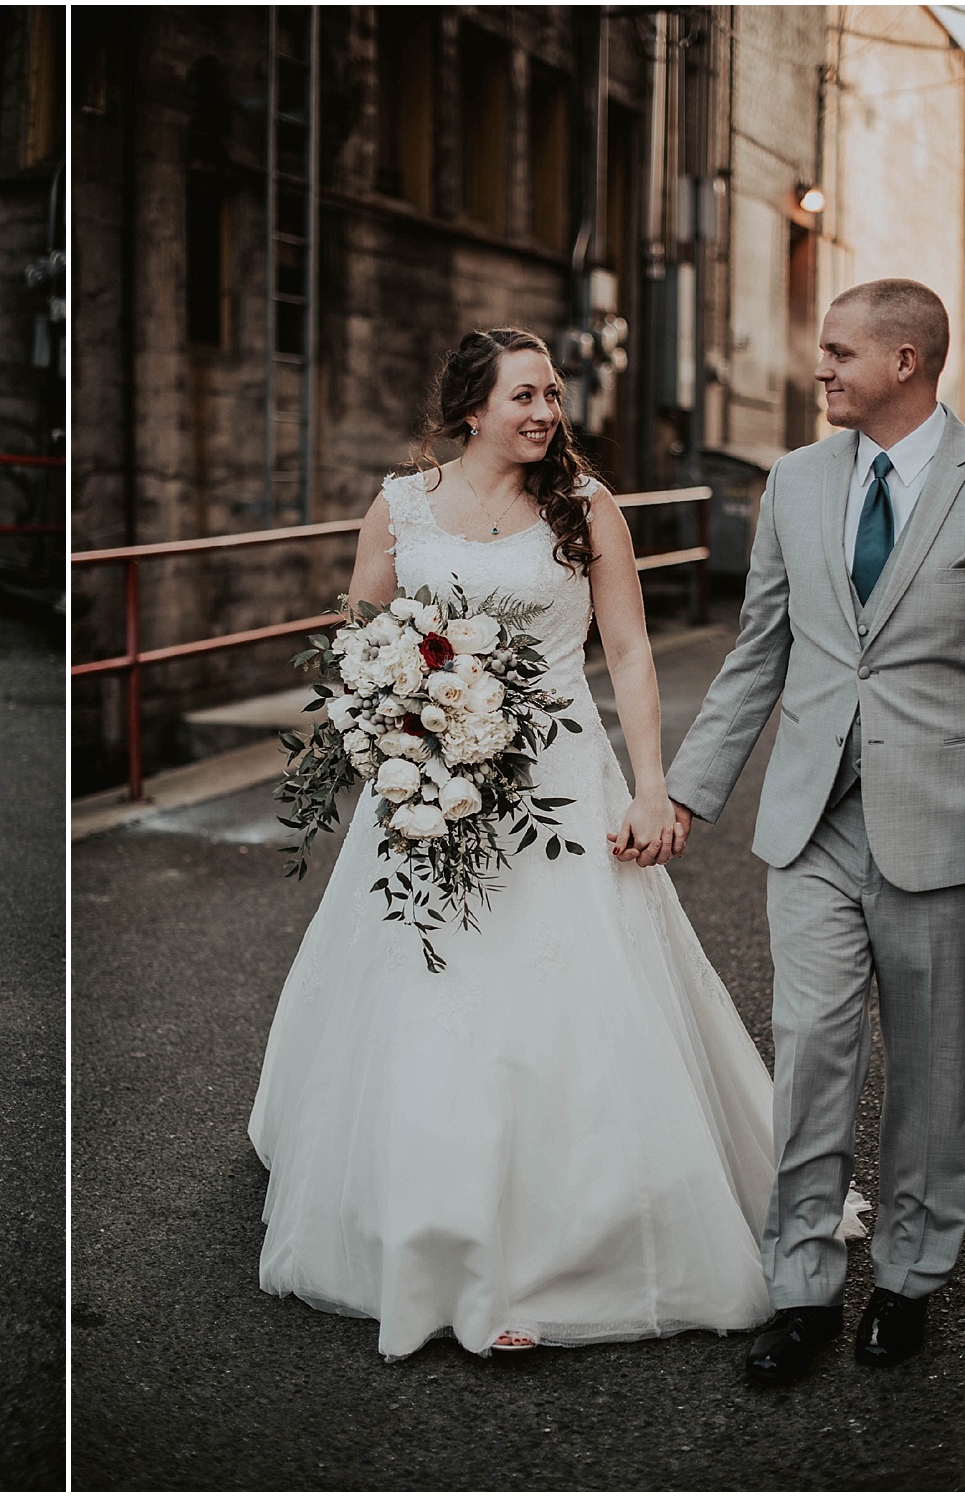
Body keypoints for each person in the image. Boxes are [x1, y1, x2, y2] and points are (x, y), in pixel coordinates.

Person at [249, 327, 835, 1359]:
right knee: (430, 993)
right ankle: (440, 1233)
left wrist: (653, 789)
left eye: (552, 396)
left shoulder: (586, 507)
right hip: (428, 784)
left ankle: (564, 1249)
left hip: (559, 786)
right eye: (524, 394)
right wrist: (393, 713)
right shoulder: (398, 505)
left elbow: (628, 652)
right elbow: (356, 632)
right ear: (470, 406)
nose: (544, 413)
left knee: (567, 999)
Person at [667, 279, 965, 1384]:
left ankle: (906, 1278)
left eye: (838, 352)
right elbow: (757, 652)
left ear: (904, 361)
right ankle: (798, 1287)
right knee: (808, 1062)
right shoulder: (792, 482)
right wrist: (685, 791)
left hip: (946, 837)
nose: (819, 369)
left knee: (930, 1075)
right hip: (809, 829)